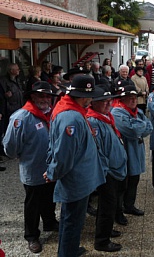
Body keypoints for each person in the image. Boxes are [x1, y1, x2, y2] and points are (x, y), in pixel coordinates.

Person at [44, 75, 105, 257]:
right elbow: (64, 154)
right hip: (77, 180)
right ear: (83, 96)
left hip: (79, 177)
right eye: (90, 95)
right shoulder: (71, 118)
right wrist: (53, 172)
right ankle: (67, 252)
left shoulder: (71, 110)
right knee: (72, 221)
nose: (92, 99)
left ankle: (68, 249)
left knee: (70, 220)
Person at [3, 81, 59, 254]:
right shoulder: (21, 117)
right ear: (32, 96)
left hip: (51, 169)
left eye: (48, 96)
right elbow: (10, 147)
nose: (45, 99)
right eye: (41, 95)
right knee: (33, 204)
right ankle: (32, 236)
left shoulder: (53, 114)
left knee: (50, 197)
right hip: (33, 169)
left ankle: (50, 222)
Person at [87, 85, 127, 252]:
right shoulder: (94, 121)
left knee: (110, 204)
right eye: (102, 101)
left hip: (115, 169)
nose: (106, 104)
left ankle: (106, 229)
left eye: (108, 100)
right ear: (93, 103)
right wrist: (106, 172)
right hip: (107, 172)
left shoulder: (106, 116)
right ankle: (102, 241)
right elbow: (97, 151)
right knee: (106, 204)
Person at [112, 85, 153, 221]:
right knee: (122, 184)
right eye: (130, 98)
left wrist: (137, 125)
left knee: (134, 180)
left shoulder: (137, 112)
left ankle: (129, 205)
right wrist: (139, 126)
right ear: (122, 99)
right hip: (124, 152)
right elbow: (131, 131)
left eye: (135, 97)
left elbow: (149, 127)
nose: (133, 100)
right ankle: (118, 211)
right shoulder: (117, 112)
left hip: (136, 151)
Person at [0, 63, 24, 130]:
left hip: (19, 107)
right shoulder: (3, 81)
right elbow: (2, 96)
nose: (19, 70)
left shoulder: (17, 79)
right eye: (17, 69)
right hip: (10, 109)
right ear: (11, 71)